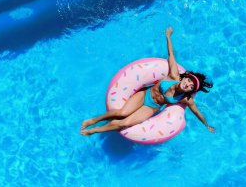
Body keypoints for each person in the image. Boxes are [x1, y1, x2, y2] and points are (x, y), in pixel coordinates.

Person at [80, 27, 215, 136]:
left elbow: (197, 112)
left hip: (151, 107)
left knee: (124, 123)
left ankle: (94, 130)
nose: (187, 84)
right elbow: (171, 55)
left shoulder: (186, 99)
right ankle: (94, 120)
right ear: (185, 77)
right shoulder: (174, 75)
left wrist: (207, 125)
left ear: (190, 91)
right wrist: (168, 36)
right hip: (145, 95)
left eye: (191, 87)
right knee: (121, 113)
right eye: (189, 81)